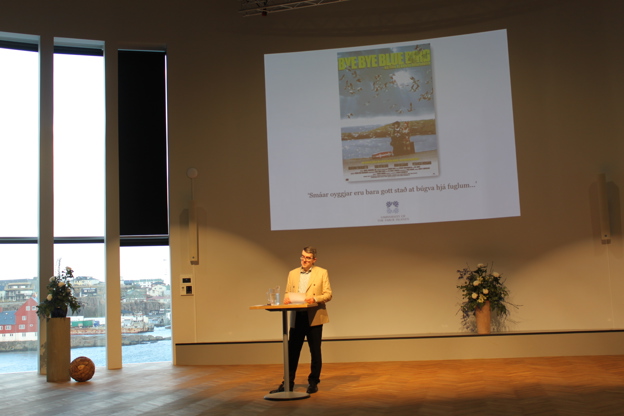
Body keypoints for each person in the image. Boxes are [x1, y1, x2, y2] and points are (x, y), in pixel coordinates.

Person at [270, 246, 332, 394]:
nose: (304, 260)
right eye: (303, 257)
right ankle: (288, 383)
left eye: (308, 258)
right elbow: (288, 292)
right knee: (292, 351)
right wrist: (287, 298)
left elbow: (328, 294)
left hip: (314, 316)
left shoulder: (322, 272)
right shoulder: (292, 273)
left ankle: (313, 382)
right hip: (297, 316)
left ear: (314, 260)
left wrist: (314, 299)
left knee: (315, 351)